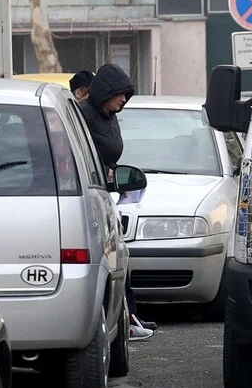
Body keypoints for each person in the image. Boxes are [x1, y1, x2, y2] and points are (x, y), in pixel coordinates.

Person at [77, 63, 157, 341]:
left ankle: (129, 315)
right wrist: (103, 171)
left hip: (105, 192)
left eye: (127, 94)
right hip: (92, 195)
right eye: (120, 94)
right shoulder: (85, 115)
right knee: (113, 260)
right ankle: (126, 319)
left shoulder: (107, 115)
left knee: (121, 258)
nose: (124, 99)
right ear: (106, 92)